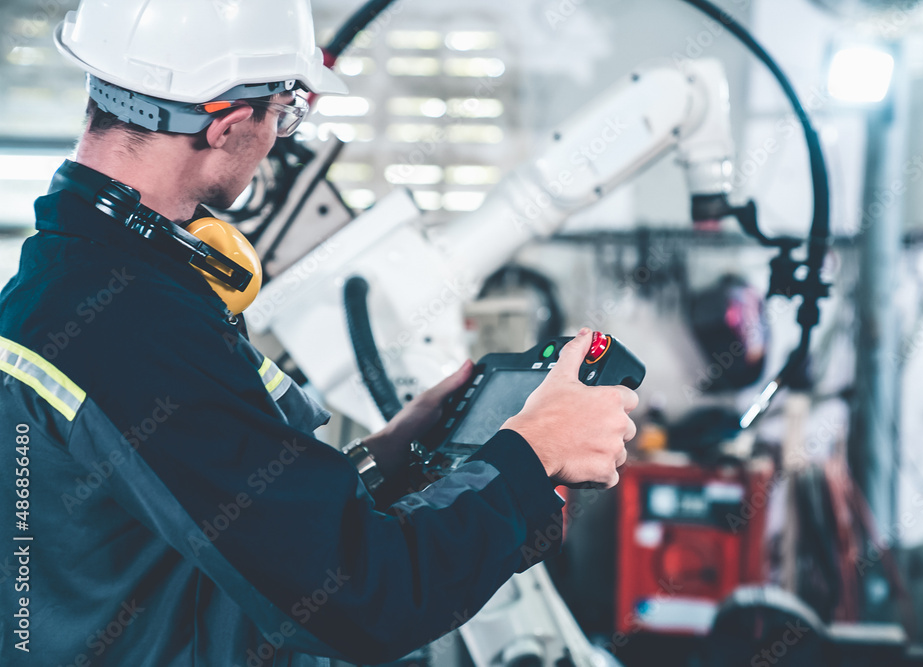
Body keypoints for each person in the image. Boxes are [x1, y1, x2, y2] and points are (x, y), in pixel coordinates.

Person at [0, 1, 637, 665]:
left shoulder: (63, 284)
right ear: (227, 123)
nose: (279, 137)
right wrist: (533, 455)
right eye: (283, 113)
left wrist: (387, 458)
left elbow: (218, 521)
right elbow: (365, 598)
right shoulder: (133, 327)